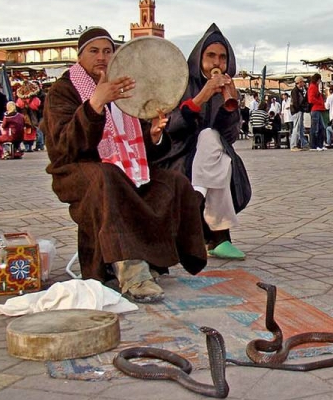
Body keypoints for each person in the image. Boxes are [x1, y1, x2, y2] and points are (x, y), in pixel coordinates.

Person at [41, 26, 207, 303]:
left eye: (108, 51)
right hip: (76, 168)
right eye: (94, 51)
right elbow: (64, 146)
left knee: (173, 182)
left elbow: (137, 147)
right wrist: (95, 103)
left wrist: (153, 136)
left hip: (122, 170)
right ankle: (132, 273)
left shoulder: (124, 87)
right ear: (80, 56)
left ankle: (155, 260)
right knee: (108, 177)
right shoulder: (63, 91)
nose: (102, 57)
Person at [158, 23, 247, 260]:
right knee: (217, 161)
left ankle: (197, 196)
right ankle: (220, 237)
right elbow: (171, 126)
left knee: (211, 139)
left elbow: (230, 137)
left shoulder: (229, 88)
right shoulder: (180, 84)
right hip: (179, 152)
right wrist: (202, 97)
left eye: (222, 57)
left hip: (211, 155)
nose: (217, 63)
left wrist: (230, 106)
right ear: (199, 58)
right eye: (211, 56)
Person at [307, 73, 327, 151]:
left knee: (321, 128)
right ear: (317, 80)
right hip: (315, 109)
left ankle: (319, 145)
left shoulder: (314, 86)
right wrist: (320, 102)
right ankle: (313, 145)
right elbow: (311, 99)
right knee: (315, 128)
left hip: (318, 109)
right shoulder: (313, 87)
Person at [290, 76, 309, 151]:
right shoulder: (295, 91)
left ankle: (304, 144)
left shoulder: (300, 91)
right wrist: (300, 109)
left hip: (299, 111)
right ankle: (293, 145)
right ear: (300, 82)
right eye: (303, 82)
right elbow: (296, 102)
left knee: (301, 129)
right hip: (296, 111)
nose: (304, 83)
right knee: (296, 128)